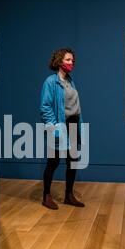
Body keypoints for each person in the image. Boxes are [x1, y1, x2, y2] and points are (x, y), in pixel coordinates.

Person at [40, 48, 85, 210]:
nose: (71, 63)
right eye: (67, 60)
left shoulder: (70, 81)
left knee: (72, 162)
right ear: (59, 61)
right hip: (59, 126)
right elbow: (45, 107)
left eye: (72, 60)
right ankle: (46, 196)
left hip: (73, 124)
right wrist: (53, 127)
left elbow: (74, 105)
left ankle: (69, 195)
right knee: (53, 162)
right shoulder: (51, 82)